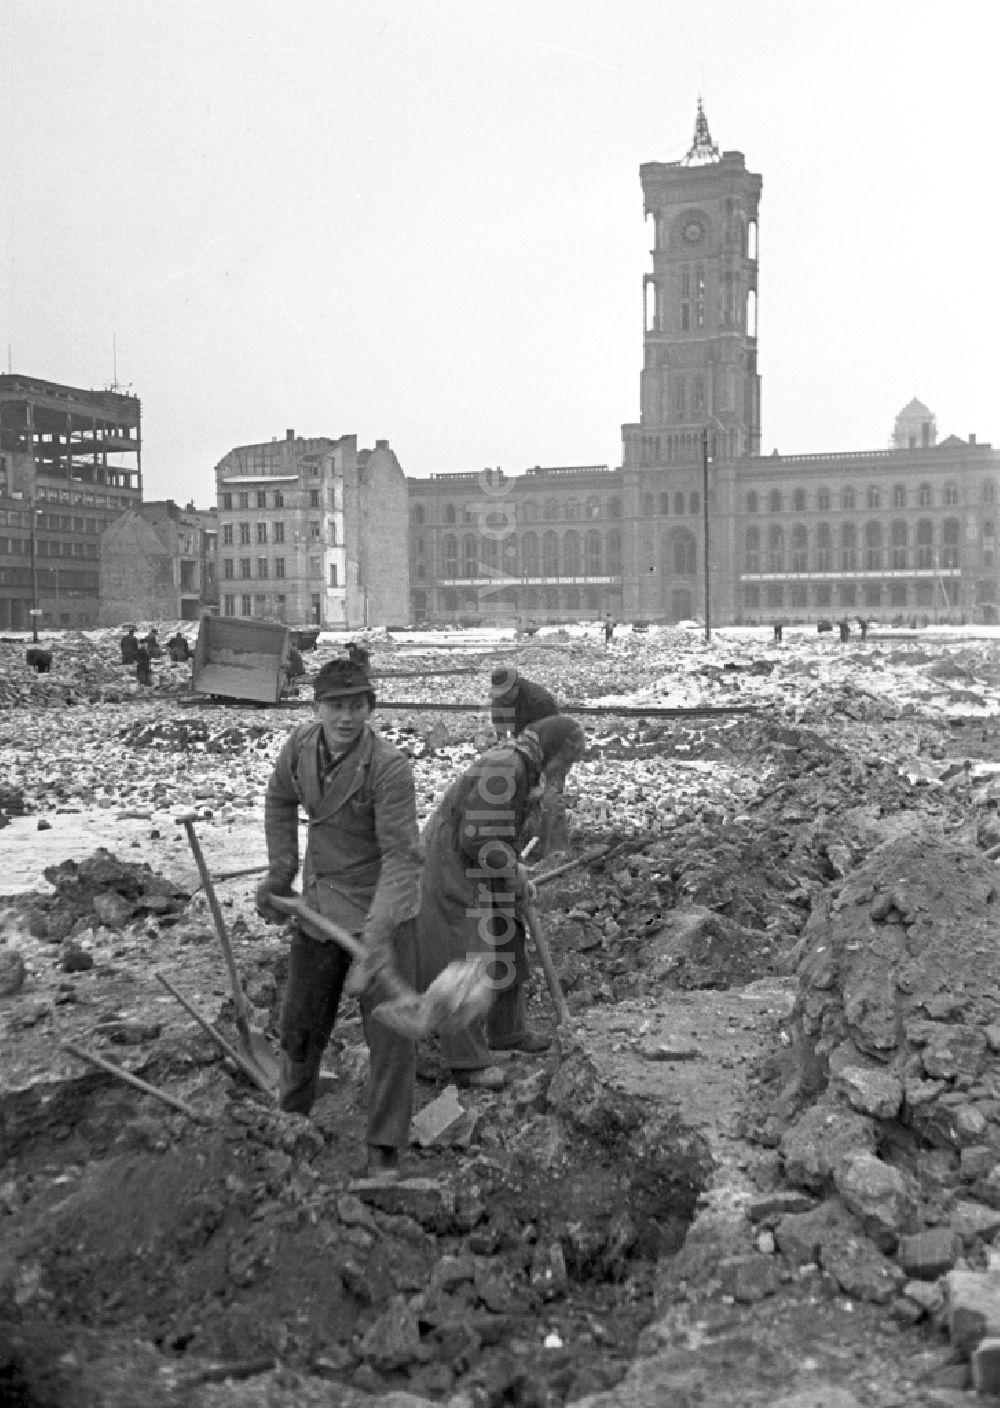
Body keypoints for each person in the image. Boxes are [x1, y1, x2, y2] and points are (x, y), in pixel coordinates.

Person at [255, 658, 422, 1180]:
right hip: (319, 905)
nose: (346, 717)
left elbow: (401, 857)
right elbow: (279, 800)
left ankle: (384, 1147)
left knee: (391, 1035)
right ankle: (291, 1123)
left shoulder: (389, 767)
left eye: (356, 706)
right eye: (336, 706)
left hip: (381, 909)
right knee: (301, 1027)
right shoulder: (301, 748)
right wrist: (280, 873)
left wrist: (377, 937)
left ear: (369, 708)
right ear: (318, 707)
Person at [416, 716, 586, 1091]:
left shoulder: (528, 770)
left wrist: (514, 874)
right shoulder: (506, 765)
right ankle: (467, 1061)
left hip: (486, 860)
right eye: (568, 760)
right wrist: (513, 871)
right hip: (452, 862)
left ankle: (508, 1031)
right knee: (468, 951)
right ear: (554, 750)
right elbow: (477, 837)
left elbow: (501, 831)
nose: (566, 770)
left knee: (508, 932)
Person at [490, 665, 558, 741]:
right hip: (522, 739)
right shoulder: (499, 698)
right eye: (499, 693)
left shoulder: (540, 702)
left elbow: (549, 737)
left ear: (517, 686)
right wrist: (504, 740)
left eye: (506, 693)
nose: (502, 697)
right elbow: (501, 731)